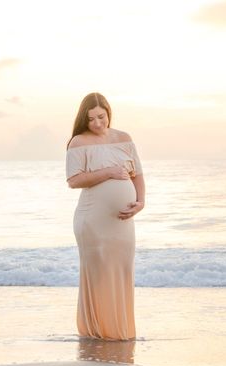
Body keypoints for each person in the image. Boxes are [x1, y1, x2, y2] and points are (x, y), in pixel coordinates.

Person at [66, 92, 145, 341]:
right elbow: (74, 180)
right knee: (99, 274)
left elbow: (138, 176)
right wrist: (108, 171)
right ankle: (97, 333)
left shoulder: (124, 138)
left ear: (108, 113)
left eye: (101, 117)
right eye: (91, 119)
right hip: (93, 221)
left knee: (122, 270)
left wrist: (140, 202)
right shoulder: (78, 142)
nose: (98, 123)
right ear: (84, 120)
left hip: (122, 223)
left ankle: (121, 332)